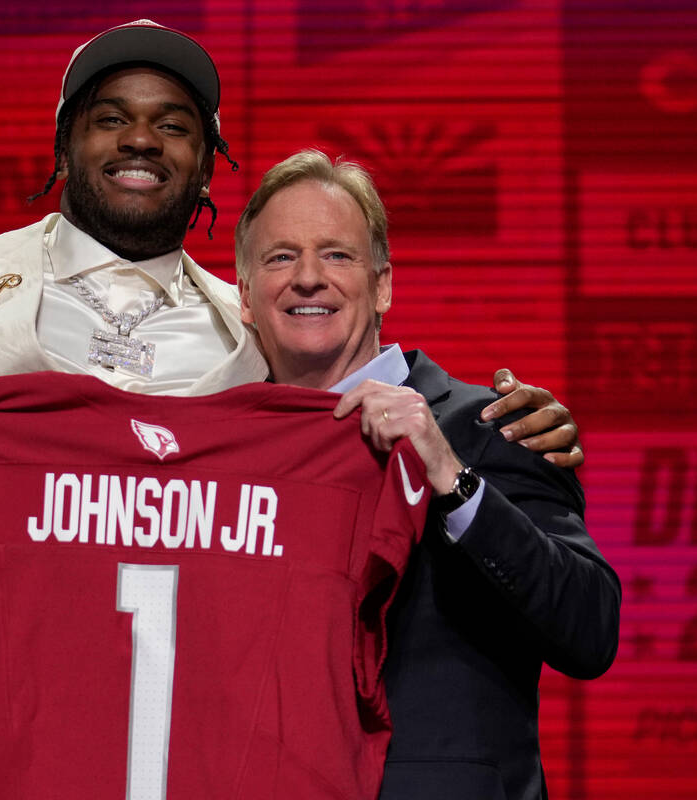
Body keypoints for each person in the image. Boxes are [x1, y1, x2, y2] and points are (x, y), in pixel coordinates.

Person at [0, 20, 583, 800]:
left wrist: (507, 423)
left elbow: (359, 384)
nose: (142, 141)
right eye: (112, 119)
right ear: (65, 142)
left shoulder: (252, 320)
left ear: (210, 162)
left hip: (173, 749)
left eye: (174, 124)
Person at [234, 149, 621, 800]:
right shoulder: (226, 454)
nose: (307, 278)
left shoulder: (494, 424)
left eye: (336, 254)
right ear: (244, 296)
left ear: (382, 283)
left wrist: (452, 476)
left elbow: (590, 630)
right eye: (280, 257)